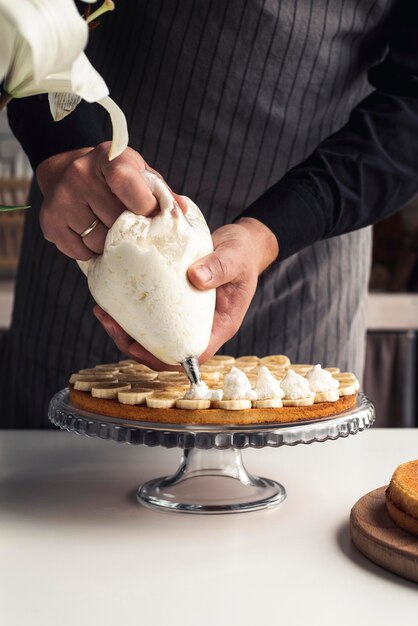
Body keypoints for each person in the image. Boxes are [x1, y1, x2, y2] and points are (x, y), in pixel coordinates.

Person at [1, 0, 417, 428]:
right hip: (93, 226)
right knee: (63, 484)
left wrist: (268, 234)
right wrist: (62, 146)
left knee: (294, 483)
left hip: (307, 261)